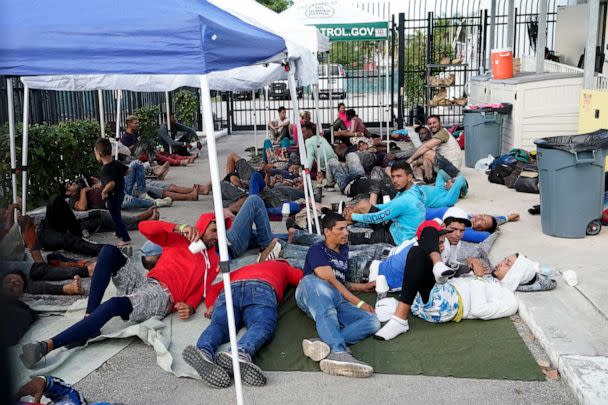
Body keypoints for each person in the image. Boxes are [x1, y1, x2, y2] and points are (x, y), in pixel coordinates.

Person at [19, 213, 221, 369]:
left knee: (115, 305)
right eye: (214, 230)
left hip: (162, 297)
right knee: (108, 251)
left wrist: (192, 306)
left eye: (220, 232)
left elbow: (202, 289)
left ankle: (48, 345)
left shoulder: (212, 261)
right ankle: (90, 319)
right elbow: (145, 227)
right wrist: (180, 227)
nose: (216, 236)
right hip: (146, 282)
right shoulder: (179, 239)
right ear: (202, 226)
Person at [183, 260, 303, 388]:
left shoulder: (244, 268)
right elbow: (303, 279)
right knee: (262, 324)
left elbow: (213, 288)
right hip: (261, 288)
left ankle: (203, 350)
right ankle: (239, 352)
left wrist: (211, 305)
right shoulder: (283, 266)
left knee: (220, 325)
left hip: (230, 289)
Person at [295, 212, 380, 378]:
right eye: (341, 229)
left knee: (372, 321)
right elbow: (331, 280)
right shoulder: (317, 250)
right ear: (327, 232)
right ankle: (338, 353)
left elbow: (341, 282)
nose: (346, 233)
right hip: (311, 289)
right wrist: (359, 302)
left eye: (346, 228)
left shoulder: (343, 250)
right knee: (325, 303)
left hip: (335, 296)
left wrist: (362, 287)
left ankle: (324, 343)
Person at [373, 221, 455, 340]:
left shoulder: (422, 252)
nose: (441, 246)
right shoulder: (414, 254)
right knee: (417, 252)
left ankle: (400, 320)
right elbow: (402, 286)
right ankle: (400, 319)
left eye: (442, 242)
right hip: (377, 272)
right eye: (437, 243)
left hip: (433, 300)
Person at [344, 160, 426, 246]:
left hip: (395, 239)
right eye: (393, 176)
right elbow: (388, 206)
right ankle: (346, 221)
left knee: (352, 237)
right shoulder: (414, 189)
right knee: (364, 204)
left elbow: (377, 218)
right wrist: (371, 207)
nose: (394, 180)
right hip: (393, 227)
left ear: (409, 177)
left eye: (399, 176)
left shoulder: (405, 199)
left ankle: (345, 222)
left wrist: (354, 216)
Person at [38, 194, 105, 256]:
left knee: (56, 199)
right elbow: (76, 243)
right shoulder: (58, 238)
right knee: (56, 199)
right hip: (52, 235)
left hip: (58, 229)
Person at [94, 137, 131, 246]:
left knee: (116, 217)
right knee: (117, 214)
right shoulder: (116, 163)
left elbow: (111, 184)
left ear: (99, 154)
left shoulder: (104, 169)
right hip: (120, 193)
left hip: (113, 196)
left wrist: (104, 191)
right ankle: (119, 232)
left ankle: (125, 238)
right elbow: (128, 170)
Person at [406, 115, 462, 182]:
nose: (432, 125)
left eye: (434, 123)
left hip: (452, 170)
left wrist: (411, 159)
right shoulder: (436, 135)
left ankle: (429, 177)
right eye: (430, 124)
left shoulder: (443, 133)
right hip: (443, 166)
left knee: (426, 152)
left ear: (440, 123)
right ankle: (421, 181)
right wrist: (415, 163)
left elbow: (425, 147)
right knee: (418, 167)